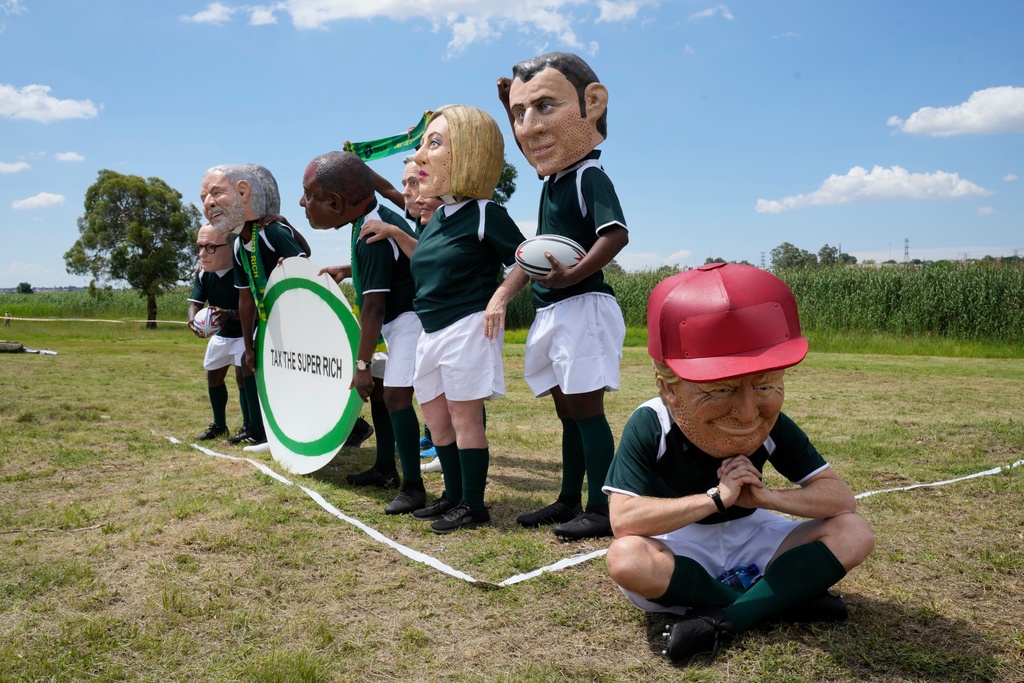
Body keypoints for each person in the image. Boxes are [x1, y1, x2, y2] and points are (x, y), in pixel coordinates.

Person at [603, 263, 875, 662]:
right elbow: (624, 520)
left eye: (765, 386)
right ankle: (780, 597)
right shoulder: (652, 422)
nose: (748, 413)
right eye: (722, 389)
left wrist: (766, 499)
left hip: (754, 534)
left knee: (854, 532)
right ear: (668, 389)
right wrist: (716, 498)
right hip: (681, 544)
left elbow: (840, 500)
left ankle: (721, 619)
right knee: (627, 558)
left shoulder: (772, 424)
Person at [493, 52, 629, 540]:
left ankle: (604, 506)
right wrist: (507, 106)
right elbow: (530, 140)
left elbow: (615, 235)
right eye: (519, 114)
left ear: (590, 105)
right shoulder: (551, 180)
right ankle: (570, 499)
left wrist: (574, 276)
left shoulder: (589, 175)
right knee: (566, 410)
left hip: (583, 304)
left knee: (586, 408)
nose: (529, 127)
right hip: (555, 307)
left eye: (544, 107)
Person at [406, 104, 527, 533]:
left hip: (467, 327)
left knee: (463, 418)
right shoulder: (437, 216)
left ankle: (474, 505)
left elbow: (525, 259)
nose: (421, 155)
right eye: (424, 144)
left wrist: (500, 297)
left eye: (434, 143)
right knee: (436, 418)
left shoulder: (484, 212)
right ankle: (453, 496)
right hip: (431, 330)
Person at [305, 150, 427, 514]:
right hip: (400, 322)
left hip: (410, 323)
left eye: (309, 195)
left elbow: (373, 307)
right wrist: (348, 269)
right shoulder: (368, 221)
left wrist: (360, 364)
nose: (303, 202)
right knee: (382, 394)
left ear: (336, 202)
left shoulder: (371, 234)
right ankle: (386, 468)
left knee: (395, 399)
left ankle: (413, 488)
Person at [199, 163, 307, 446]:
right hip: (267, 320)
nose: (208, 205)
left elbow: (304, 257)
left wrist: (285, 223)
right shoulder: (238, 247)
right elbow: (245, 298)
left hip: (295, 322)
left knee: (301, 376)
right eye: (203, 199)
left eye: (215, 193)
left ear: (244, 193)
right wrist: (248, 346)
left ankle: (352, 426)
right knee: (251, 367)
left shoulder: (271, 233)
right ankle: (255, 430)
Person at [187, 223, 245, 441]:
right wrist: (193, 319)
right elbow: (195, 302)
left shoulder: (243, 272)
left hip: (245, 334)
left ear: (230, 246)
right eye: (200, 247)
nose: (203, 253)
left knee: (243, 378)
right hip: (222, 336)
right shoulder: (204, 275)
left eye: (210, 247)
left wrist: (229, 313)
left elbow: (256, 310)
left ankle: (249, 427)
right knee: (214, 378)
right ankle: (219, 425)